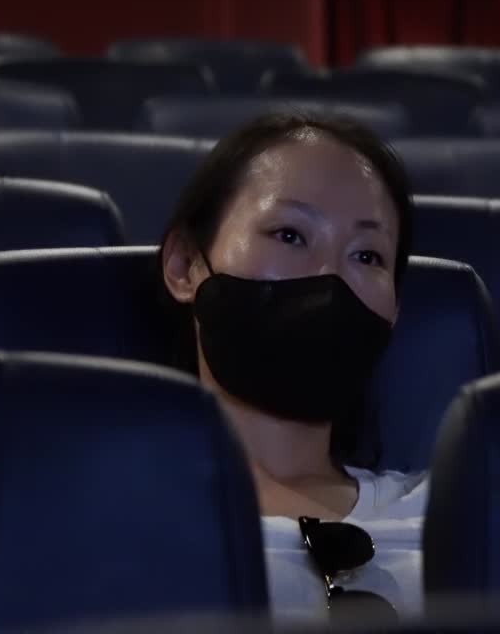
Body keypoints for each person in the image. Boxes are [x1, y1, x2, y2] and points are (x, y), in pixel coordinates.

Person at [159, 113, 427, 621]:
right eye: (289, 235)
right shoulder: (111, 520)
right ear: (185, 265)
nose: (330, 276)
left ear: (395, 310)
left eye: (367, 256)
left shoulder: (461, 512)